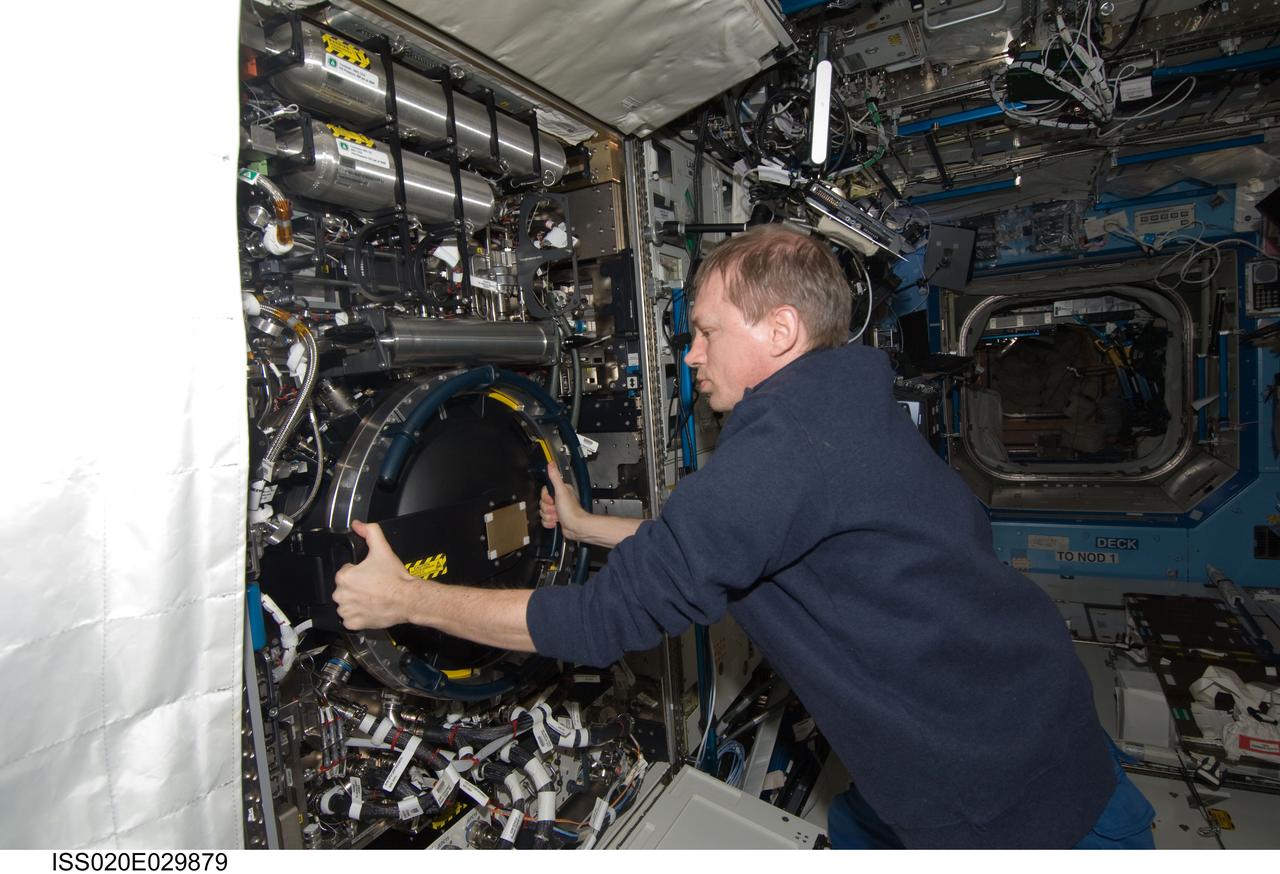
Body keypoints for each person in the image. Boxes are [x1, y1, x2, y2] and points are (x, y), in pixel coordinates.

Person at [333, 225, 1155, 849]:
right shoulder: (844, 409)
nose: (691, 356)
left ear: (780, 330)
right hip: (1031, 722)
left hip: (1008, 808)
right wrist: (589, 526)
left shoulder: (784, 452)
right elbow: (749, 534)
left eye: (705, 331)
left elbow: (595, 625)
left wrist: (403, 597)